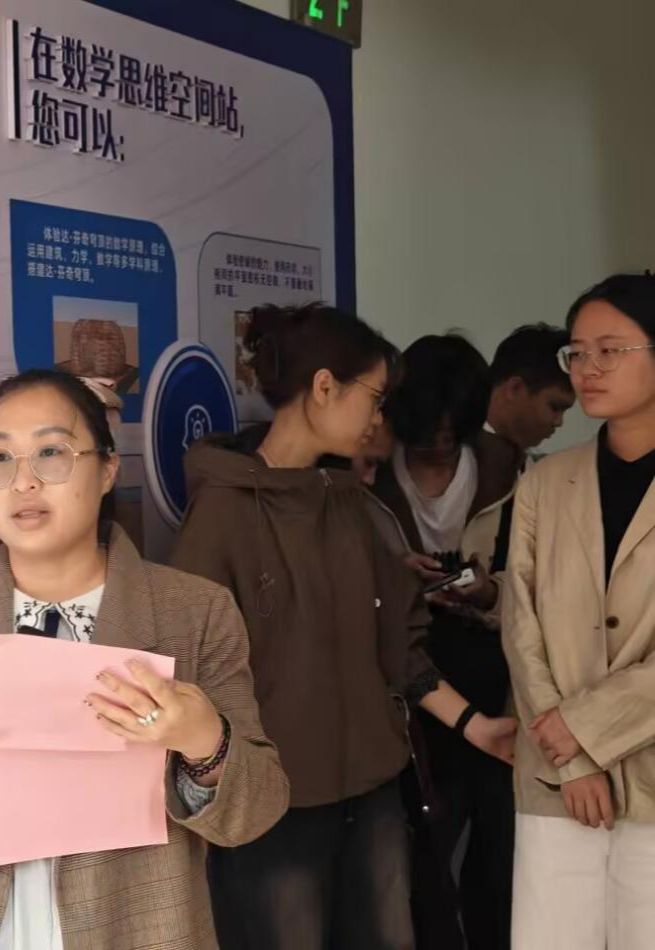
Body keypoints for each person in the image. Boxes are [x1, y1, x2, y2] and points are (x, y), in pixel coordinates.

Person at [0, 369, 289, 949]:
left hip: (138, 931)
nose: (23, 481)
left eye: (51, 452)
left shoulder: (194, 614)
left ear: (107, 469)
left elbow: (259, 807)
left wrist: (206, 742)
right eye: (0, 458)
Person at [171, 304, 515, 950]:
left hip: (374, 796)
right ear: (325, 388)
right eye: (375, 399)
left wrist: (477, 726)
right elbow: (192, 679)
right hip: (272, 808)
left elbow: (399, 648)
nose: (381, 421)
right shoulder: (220, 514)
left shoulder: (351, 503)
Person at [503, 273, 655, 949]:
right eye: (577, 352)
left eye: (611, 350)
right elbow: (521, 626)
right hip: (554, 781)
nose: (588, 368)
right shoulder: (543, 482)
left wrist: (586, 729)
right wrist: (572, 759)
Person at [372, 334, 526, 950]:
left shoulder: (508, 469)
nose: (438, 443)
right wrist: (400, 584)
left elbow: (537, 589)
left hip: (493, 678)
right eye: (425, 431)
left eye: (451, 432)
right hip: (406, 684)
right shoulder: (370, 469)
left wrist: (489, 594)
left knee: (500, 859)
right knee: (423, 861)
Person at [487, 323, 576, 459]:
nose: (559, 422)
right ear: (515, 388)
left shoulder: (542, 467)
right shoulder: (456, 455)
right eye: (555, 407)